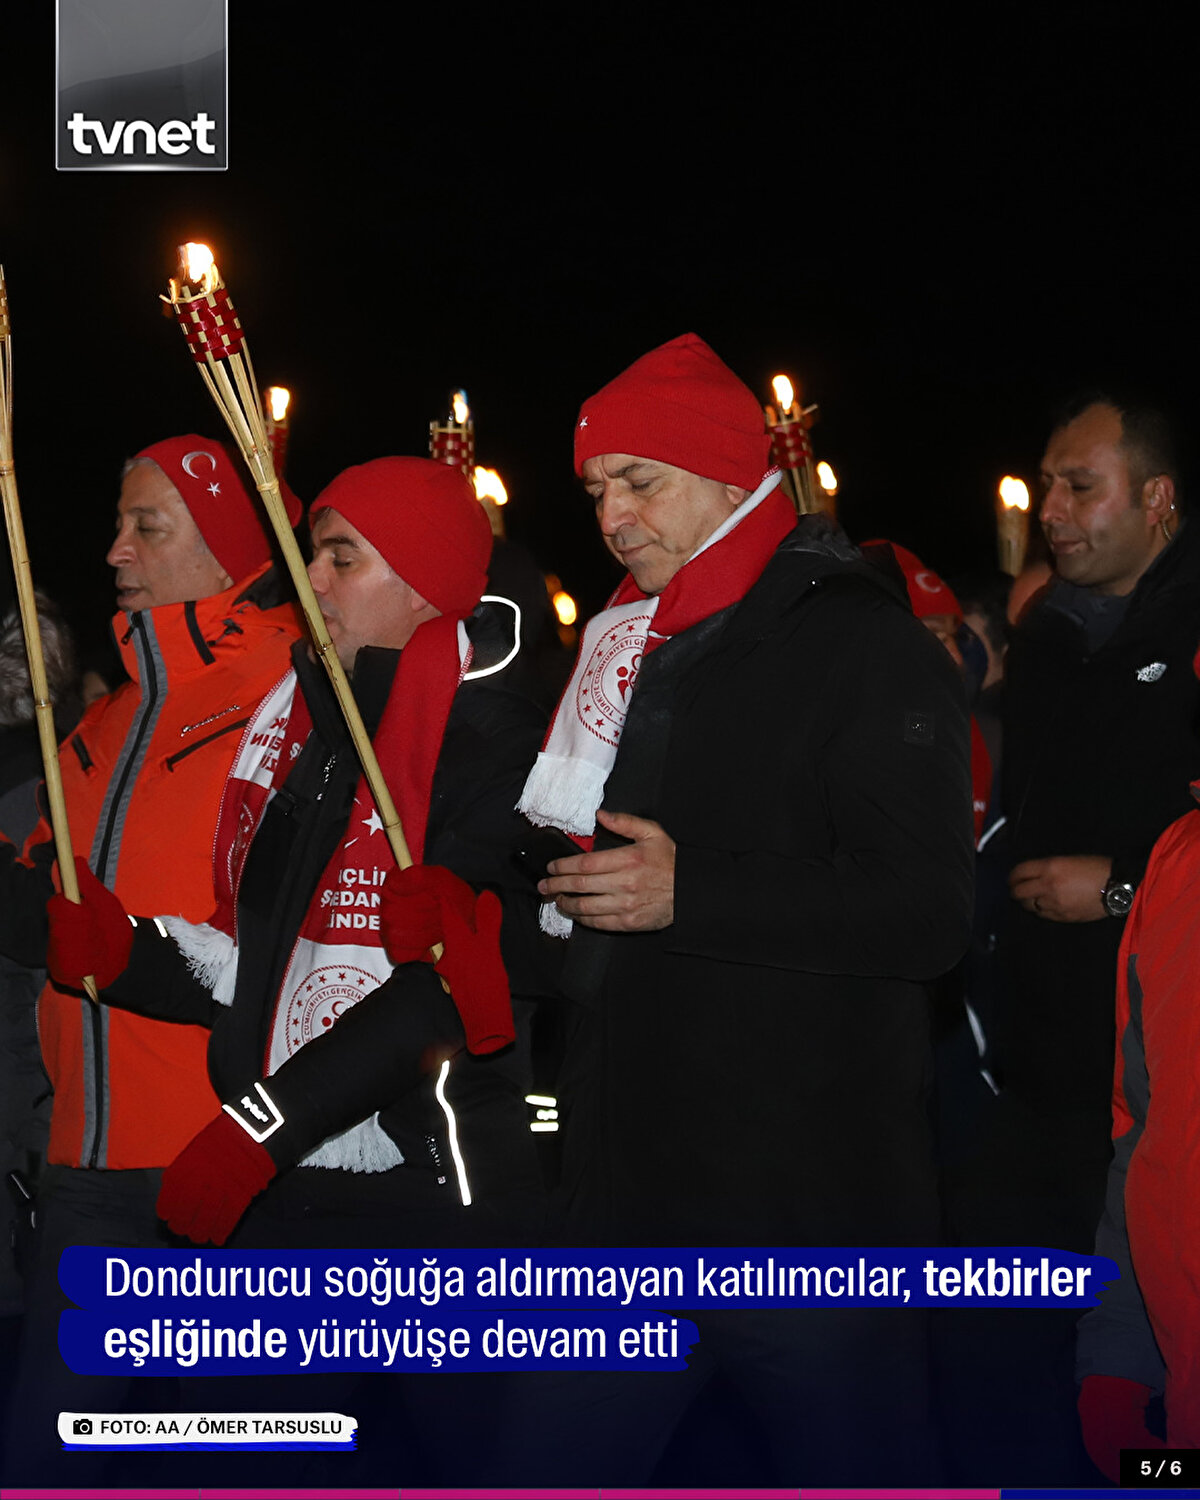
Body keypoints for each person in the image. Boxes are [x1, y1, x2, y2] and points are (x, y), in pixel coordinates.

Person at [495, 333, 974, 1486]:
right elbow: (579, 908)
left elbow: (926, 913)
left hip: (809, 1221)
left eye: (640, 482)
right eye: (597, 489)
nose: (611, 517)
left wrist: (690, 890)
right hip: (624, 1213)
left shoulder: (860, 640)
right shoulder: (620, 648)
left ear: (725, 474)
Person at [45, 458, 547, 1483]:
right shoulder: (312, 734)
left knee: (469, 1469)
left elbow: (441, 990)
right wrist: (128, 954)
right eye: (314, 553)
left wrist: (252, 1128)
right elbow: (260, 962)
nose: (309, 580)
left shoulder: (504, 743)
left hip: (436, 1207)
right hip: (294, 1201)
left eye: (341, 558)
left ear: (422, 581)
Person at [0, 434, 303, 1483]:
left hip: (224, 1159)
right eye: (121, 523)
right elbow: (50, 917)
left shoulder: (287, 690)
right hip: (85, 1162)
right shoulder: (96, 725)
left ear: (224, 546)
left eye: (147, 526)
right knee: (47, 1459)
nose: (116, 550)